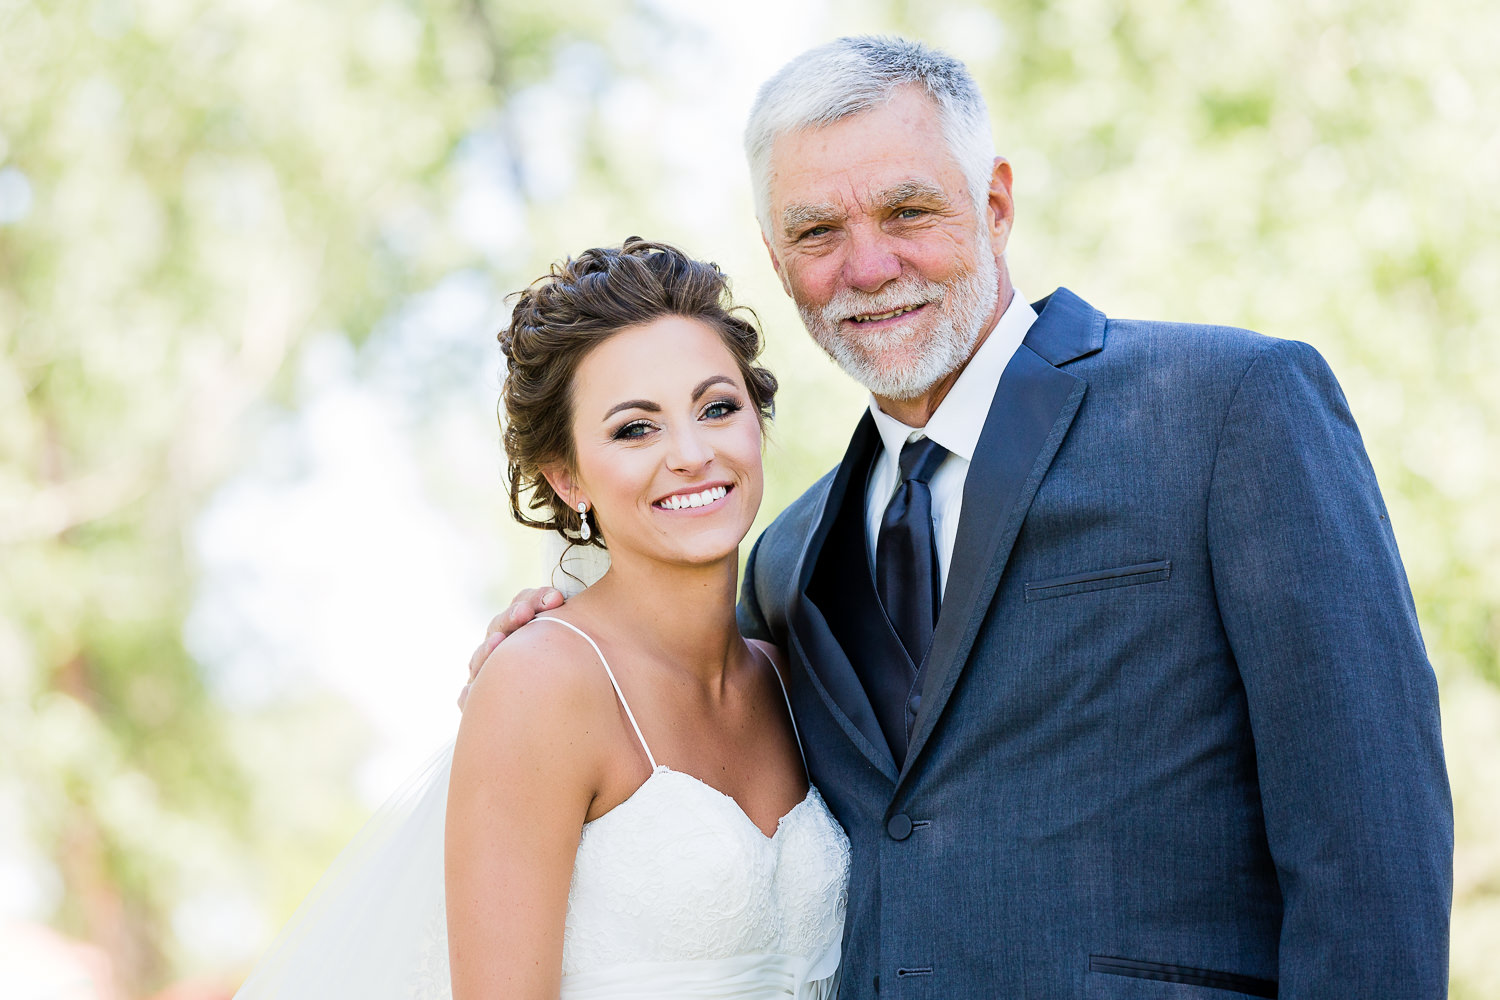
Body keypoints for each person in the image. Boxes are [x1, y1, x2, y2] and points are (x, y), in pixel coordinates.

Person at [474, 36, 1453, 999]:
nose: (867, 266)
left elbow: (1372, 841)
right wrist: (557, 626)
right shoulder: (784, 561)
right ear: (777, 259)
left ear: (995, 204)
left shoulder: (1227, 408)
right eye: (818, 232)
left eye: (909, 208)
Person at [235, 239, 849, 1000]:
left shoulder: (795, 674)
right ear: (566, 478)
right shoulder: (541, 683)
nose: (692, 453)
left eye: (717, 408)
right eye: (635, 428)